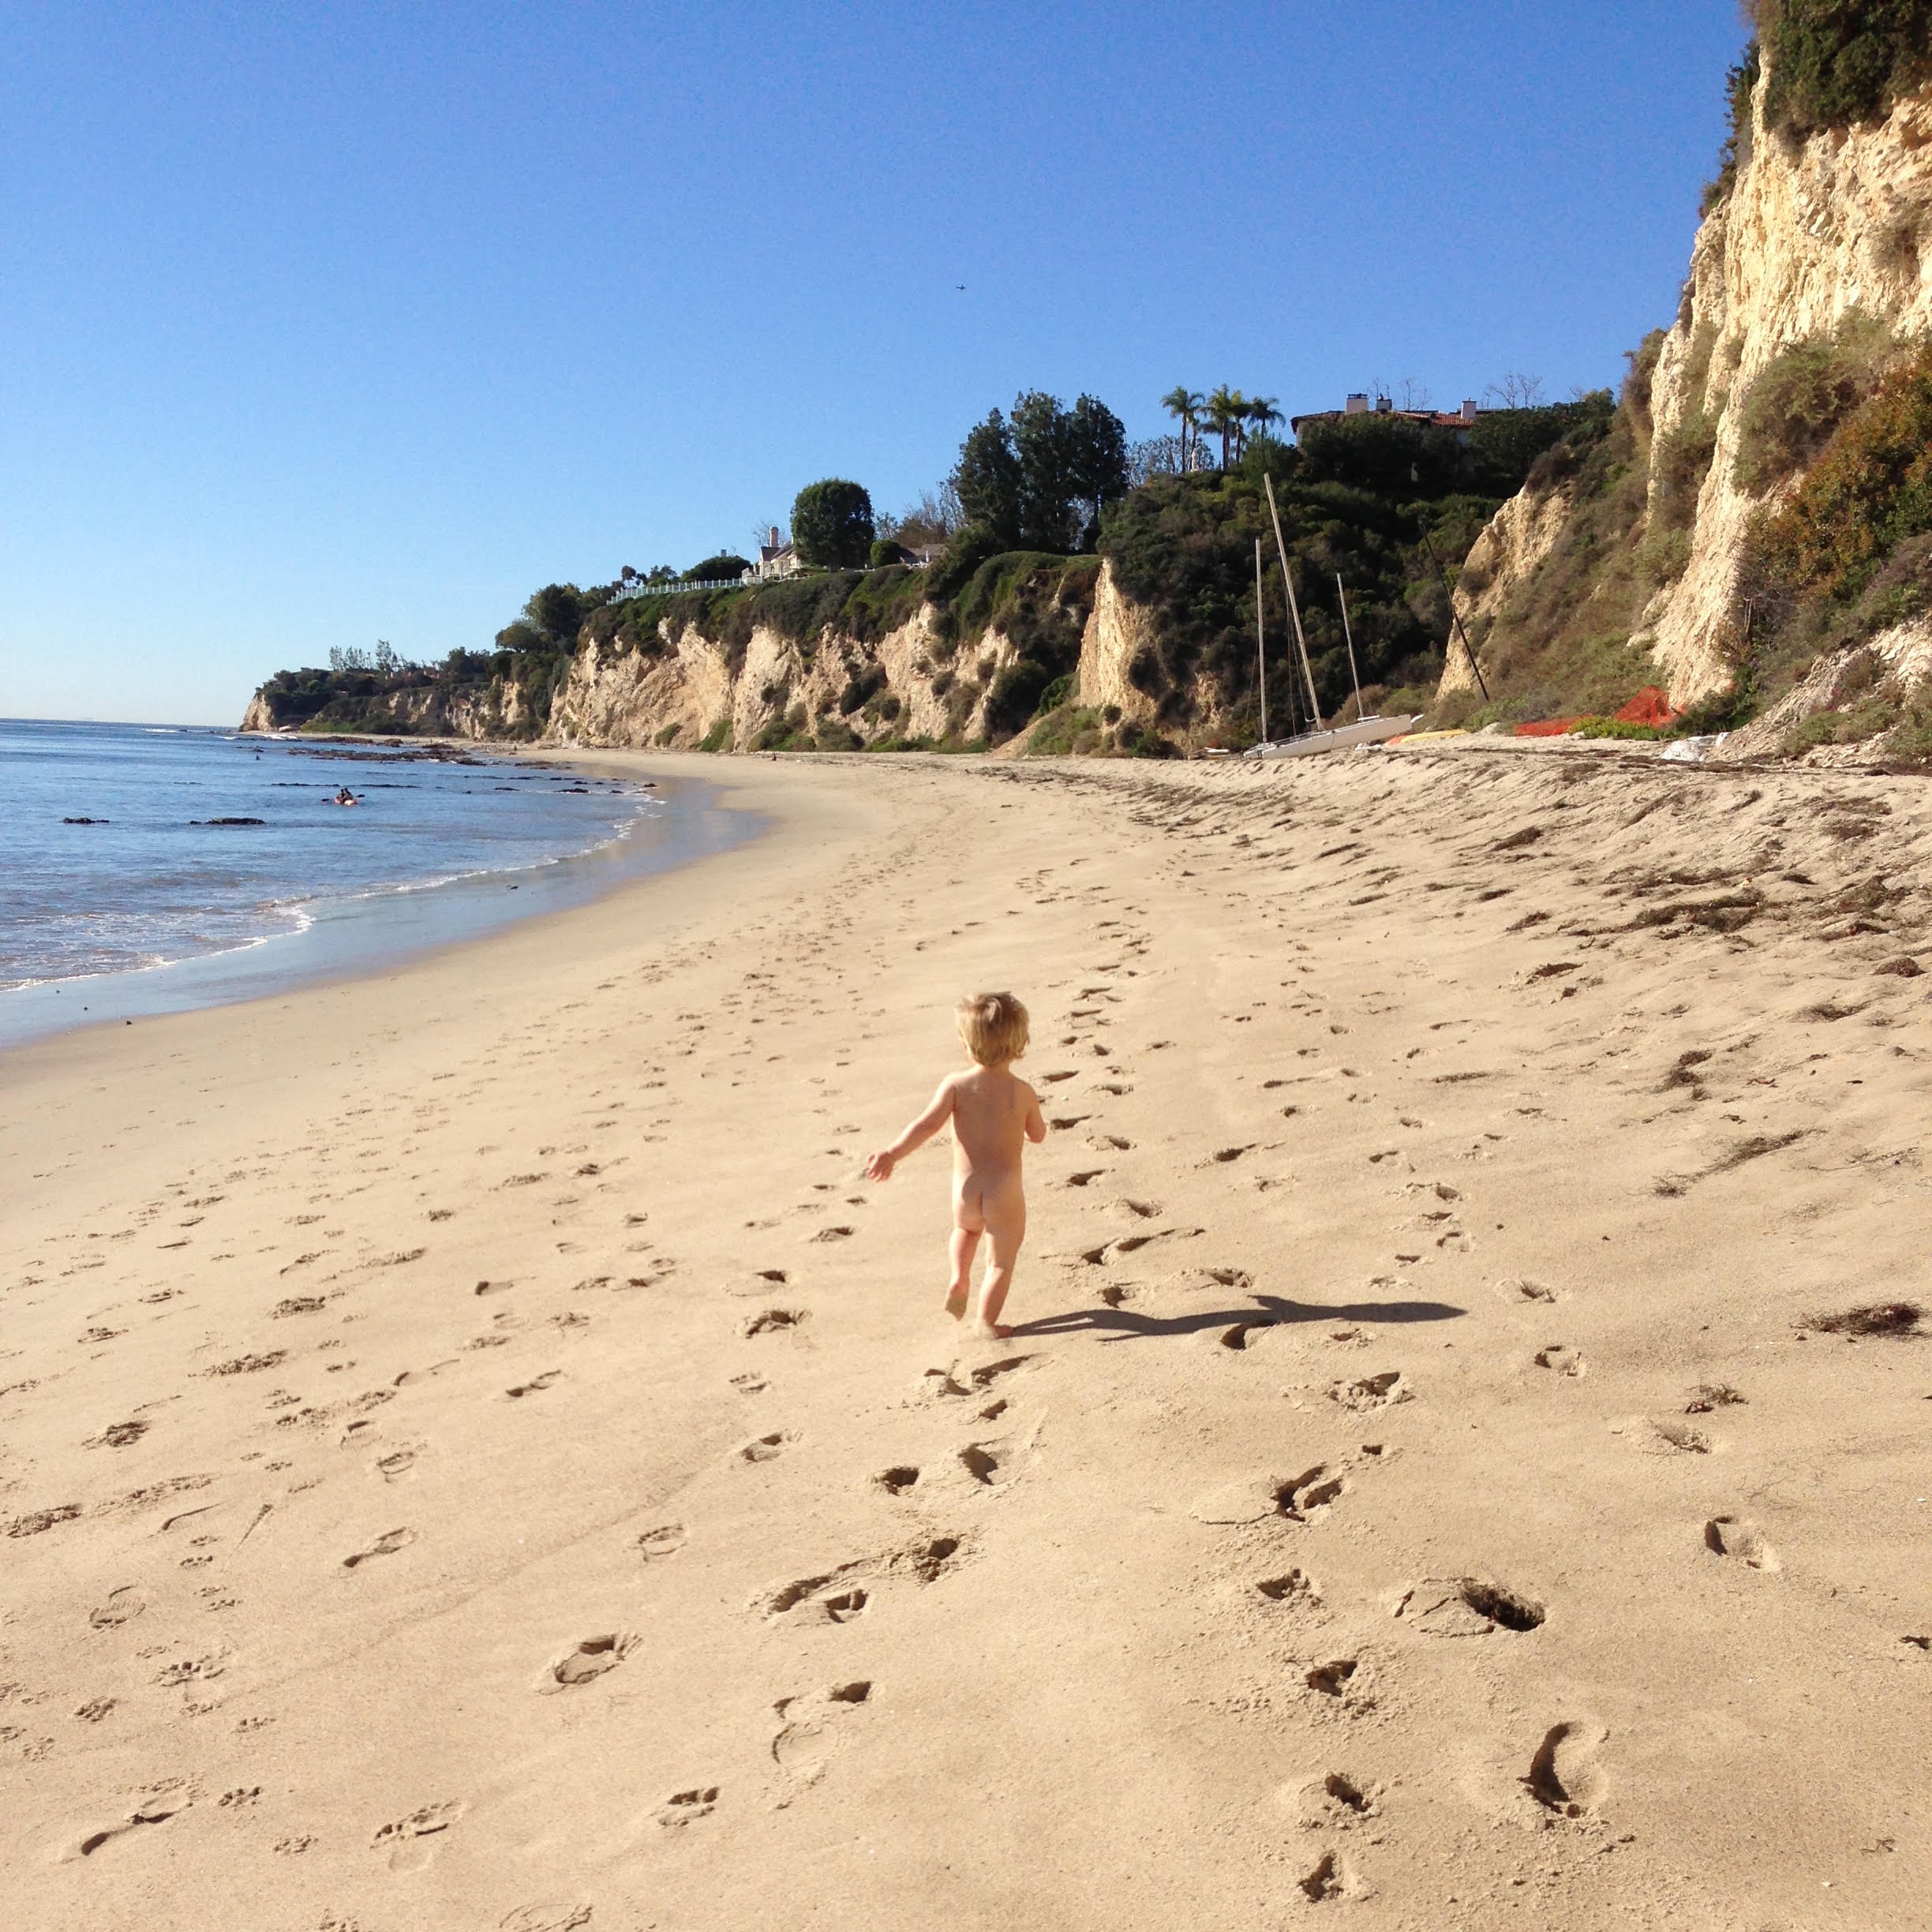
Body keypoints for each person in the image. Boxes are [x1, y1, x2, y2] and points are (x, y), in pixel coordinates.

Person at [866, 992, 1046, 1339]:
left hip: (965, 1190)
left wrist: (891, 1153)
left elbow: (925, 1126)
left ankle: (959, 1277)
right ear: (1020, 1043)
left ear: (967, 1044)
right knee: (1000, 1264)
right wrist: (1030, 1129)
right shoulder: (1021, 1092)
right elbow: (1037, 1134)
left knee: (965, 1232)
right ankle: (987, 1324)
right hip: (1004, 1192)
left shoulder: (956, 1085)